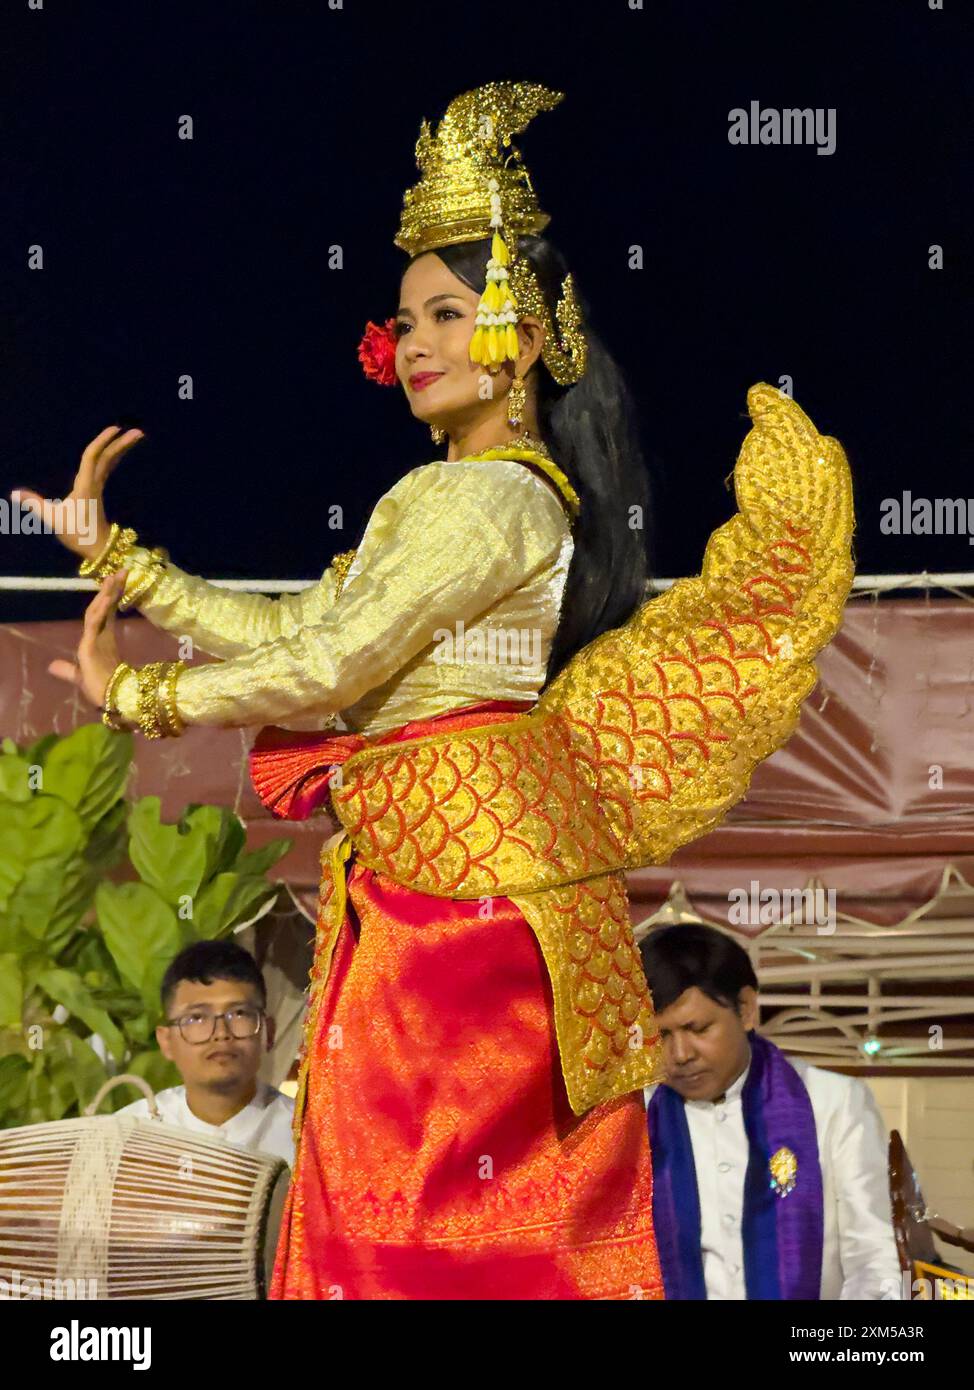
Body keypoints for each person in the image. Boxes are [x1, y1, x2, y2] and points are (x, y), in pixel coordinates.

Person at [16, 81, 854, 1299]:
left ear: (515, 331)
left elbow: (332, 667)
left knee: (426, 1223)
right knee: (396, 1206)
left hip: (473, 900)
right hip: (435, 876)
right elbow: (308, 626)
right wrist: (120, 560)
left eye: (447, 314)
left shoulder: (498, 496)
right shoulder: (445, 495)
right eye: (402, 319)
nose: (412, 344)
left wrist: (140, 698)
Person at [640, 923, 902, 1300]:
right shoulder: (633, 1119)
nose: (681, 1055)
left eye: (697, 1028)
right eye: (661, 1036)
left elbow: (875, 1260)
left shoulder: (834, 1103)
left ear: (746, 1009)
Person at [115, 940, 294, 1167]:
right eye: (197, 1018)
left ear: (268, 1033)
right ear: (167, 1040)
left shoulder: (308, 1136)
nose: (220, 1033)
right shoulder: (126, 1136)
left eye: (239, 1013)